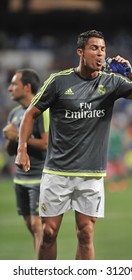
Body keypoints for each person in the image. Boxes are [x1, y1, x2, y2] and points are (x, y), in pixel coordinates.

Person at [15, 30, 132, 260]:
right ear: (80, 52)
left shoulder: (111, 82)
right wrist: (22, 149)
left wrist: (131, 72)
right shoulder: (58, 81)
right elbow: (30, 114)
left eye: (103, 49)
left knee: (86, 234)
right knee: (49, 233)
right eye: (94, 48)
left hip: (91, 174)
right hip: (57, 172)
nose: (100, 54)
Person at [3, 69, 49, 258]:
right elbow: (10, 150)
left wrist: (19, 137)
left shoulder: (40, 110)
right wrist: (12, 139)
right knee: (32, 227)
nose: (9, 88)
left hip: (39, 177)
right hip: (20, 179)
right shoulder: (14, 114)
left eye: (14, 84)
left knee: (39, 227)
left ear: (27, 87)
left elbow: (46, 144)